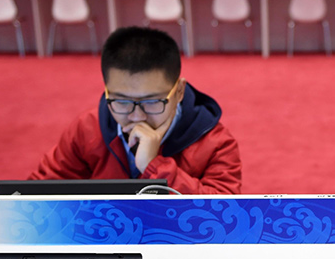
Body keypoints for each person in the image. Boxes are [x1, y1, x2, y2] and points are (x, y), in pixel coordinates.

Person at [30, 26, 242, 194]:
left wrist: (155, 166)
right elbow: (38, 194)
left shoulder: (216, 143)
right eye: (121, 102)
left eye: (152, 102)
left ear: (178, 92)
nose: (137, 116)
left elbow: (223, 216)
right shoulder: (87, 129)